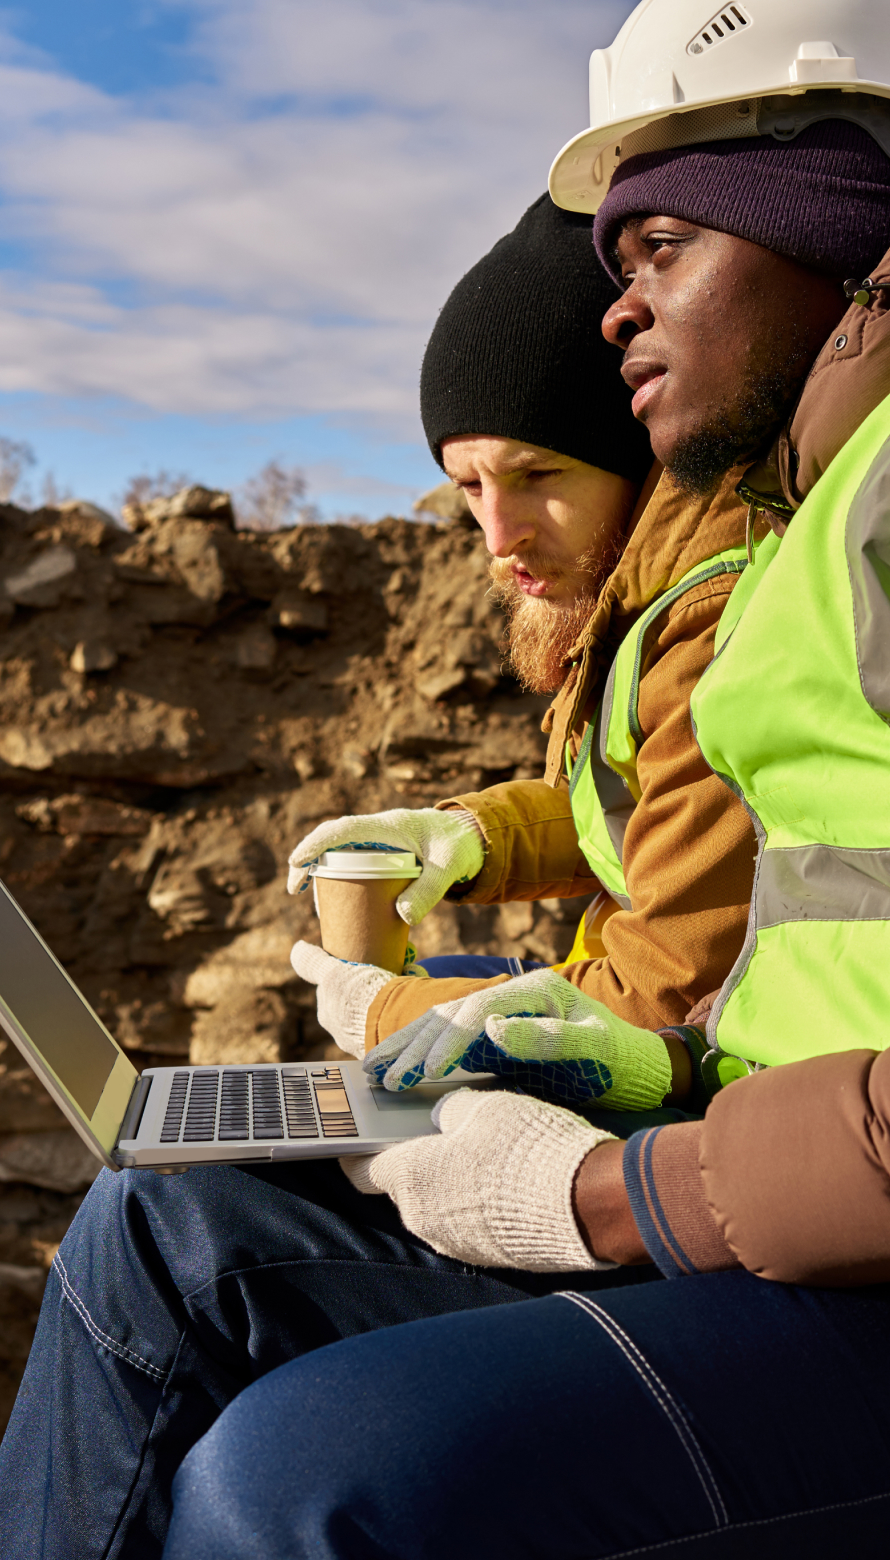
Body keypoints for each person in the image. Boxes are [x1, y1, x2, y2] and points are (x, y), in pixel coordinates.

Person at [0, 4, 890, 1557]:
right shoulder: (854, 489)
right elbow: (881, 943)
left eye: (658, 244)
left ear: (824, 205)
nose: (617, 312)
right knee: (174, 1230)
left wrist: (608, 1194)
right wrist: (627, 1078)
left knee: (309, 1478)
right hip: (874, 1212)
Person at [288, 194, 756, 1100]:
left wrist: (382, 1012)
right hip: (647, 1025)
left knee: (159, 1207)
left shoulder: (711, 615)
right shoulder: (625, 594)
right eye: (468, 486)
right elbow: (640, 813)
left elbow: (669, 987)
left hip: (691, 1076)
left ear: (641, 451)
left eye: (536, 474)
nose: (499, 535)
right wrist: (474, 837)